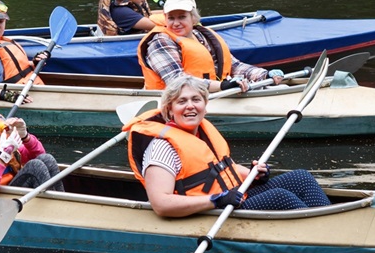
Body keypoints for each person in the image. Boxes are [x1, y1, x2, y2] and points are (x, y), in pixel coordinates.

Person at [124, 77, 331, 218]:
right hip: (206, 213)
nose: (190, 106)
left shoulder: (202, 131)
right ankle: (322, 236)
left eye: (196, 99)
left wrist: (253, 174)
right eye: (182, 101)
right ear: (170, 109)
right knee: (280, 197)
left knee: (301, 178)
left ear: (205, 105)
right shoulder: (162, 147)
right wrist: (216, 200)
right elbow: (161, 205)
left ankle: (328, 225)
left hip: (230, 199)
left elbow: (222, 169)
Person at [137, 0, 284, 92]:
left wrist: (264, 74)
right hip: (175, 101)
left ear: (193, 18)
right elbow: (177, 81)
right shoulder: (160, 41)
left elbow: (234, 65)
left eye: (182, 17)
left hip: (209, 94)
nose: (176, 23)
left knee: (280, 88)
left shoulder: (201, 35)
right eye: (171, 18)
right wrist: (222, 86)